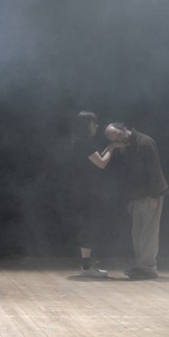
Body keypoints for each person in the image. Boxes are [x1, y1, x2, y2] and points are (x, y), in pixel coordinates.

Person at [105, 122, 168, 280]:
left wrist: (154, 195)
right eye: (114, 140)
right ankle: (141, 266)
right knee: (137, 233)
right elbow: (129, 176)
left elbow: (154, 169)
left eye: (118, 136)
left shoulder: (144, 142)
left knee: (148, 233)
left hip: (149, 194)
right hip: (137, 196)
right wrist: (131, 199)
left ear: (123, 129)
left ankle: (148, 268)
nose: (118, 141)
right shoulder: (126, 146)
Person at [69, 111, 124, 278]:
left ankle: (87, 265)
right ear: (86, 125)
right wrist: (112, 147)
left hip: (83, 189)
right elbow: (101, 162)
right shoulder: (83, 143)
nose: (97, 126)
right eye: (94, 123)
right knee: (88, 224)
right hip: (85, 191)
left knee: (89, 224)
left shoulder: (80, 142)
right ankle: (86, 267)